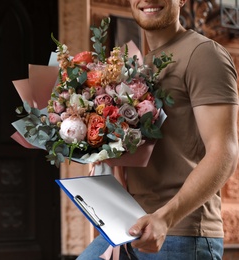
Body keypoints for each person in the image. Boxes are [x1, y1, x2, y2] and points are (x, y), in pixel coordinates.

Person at [77, 0, 239, 259]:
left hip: (180, 233)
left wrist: (166, 217)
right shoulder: (139, 67)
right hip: (130, 229)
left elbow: (225, 153)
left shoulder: (204, 54)